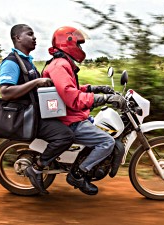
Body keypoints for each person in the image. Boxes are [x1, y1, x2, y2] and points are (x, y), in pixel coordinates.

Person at [42, 26, 126, 195]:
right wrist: (104, 99)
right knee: (107, 142)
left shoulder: (63, 63)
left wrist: (96, 88)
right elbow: (72, 98)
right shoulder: (60, 65)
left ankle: (84, 163)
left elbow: (71, 89)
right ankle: (77, 174)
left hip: (72, 115)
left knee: (102, 129)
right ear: (68, 43)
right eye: (79, 45)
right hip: (69, 119)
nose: (80, 49)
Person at [0, 24, 74, 195]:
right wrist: (36, 82)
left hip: (37, 113)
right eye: (30, 34)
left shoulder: (28, 61)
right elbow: (5, 92)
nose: (34, 38)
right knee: (65, 135)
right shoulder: (11, 62)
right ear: (17, 38)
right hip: (26, 117)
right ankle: (37, 168)